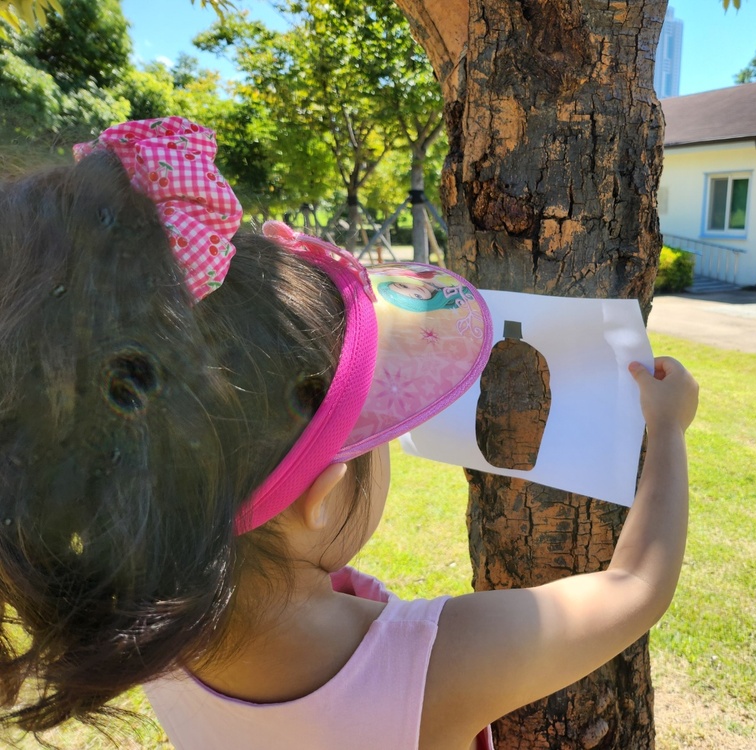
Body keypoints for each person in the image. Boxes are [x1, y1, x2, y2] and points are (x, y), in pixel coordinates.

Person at [0, 117, 697, 750]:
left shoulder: (148, 621)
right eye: (375, 433)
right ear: (324, 496)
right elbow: (636, 586)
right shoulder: (436, 663)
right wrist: (666, 429)